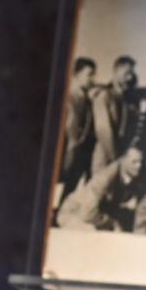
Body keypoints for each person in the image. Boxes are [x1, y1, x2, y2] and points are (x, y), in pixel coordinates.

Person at [55, 147, 146, 232]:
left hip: (95, 216)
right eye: (134, 162)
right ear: (123, 160)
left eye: (140, 162)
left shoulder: (132, 174)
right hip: (74, 214)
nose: (139, 166)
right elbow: (88, 214)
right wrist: (111, 223)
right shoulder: (104, 179)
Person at [57, 56, 96, 202]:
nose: (92, 79)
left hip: (80, 150)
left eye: (93, 75)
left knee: (70, 188)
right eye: (89, 74)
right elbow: (71, 128)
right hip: (69, 149)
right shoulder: (70, 97)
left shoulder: (86, 99)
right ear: (77, 74)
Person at [90, 54, 137, 173]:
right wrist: (114, 158)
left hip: (121, 155)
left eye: (131, 74)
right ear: (116, 72)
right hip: (106, 156)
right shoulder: (104, 96)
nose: (129, 78)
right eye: (126, 73)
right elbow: (103, 131)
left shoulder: (126, 98)